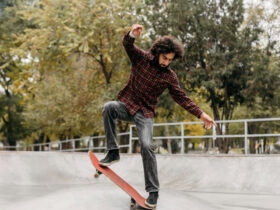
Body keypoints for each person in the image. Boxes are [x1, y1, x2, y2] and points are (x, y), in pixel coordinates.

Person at [99, 24, 217, 208]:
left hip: (145, 114)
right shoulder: (141, 59)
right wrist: (132, 35)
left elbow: (181, 97)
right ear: (157, 52)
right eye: (164, 58)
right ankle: (113, 151)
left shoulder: (170, 76)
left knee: (147, 146)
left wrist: (201, 114)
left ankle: (153, 192)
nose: (166, 62)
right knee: (108, 107)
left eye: (170, 60)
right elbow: (127, 45)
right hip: (128, 106)